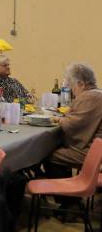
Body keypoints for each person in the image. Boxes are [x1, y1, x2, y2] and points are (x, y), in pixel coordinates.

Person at [46, 63, 102, 191]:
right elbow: (78, 117)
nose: (71, 90)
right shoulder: (97, 94)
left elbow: (73, 125)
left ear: (81, 84)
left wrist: (58, 119)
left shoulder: (89, 97)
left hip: (91, 153)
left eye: (71, 86)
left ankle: (68, 200)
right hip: (95, 149)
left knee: (47, 154)